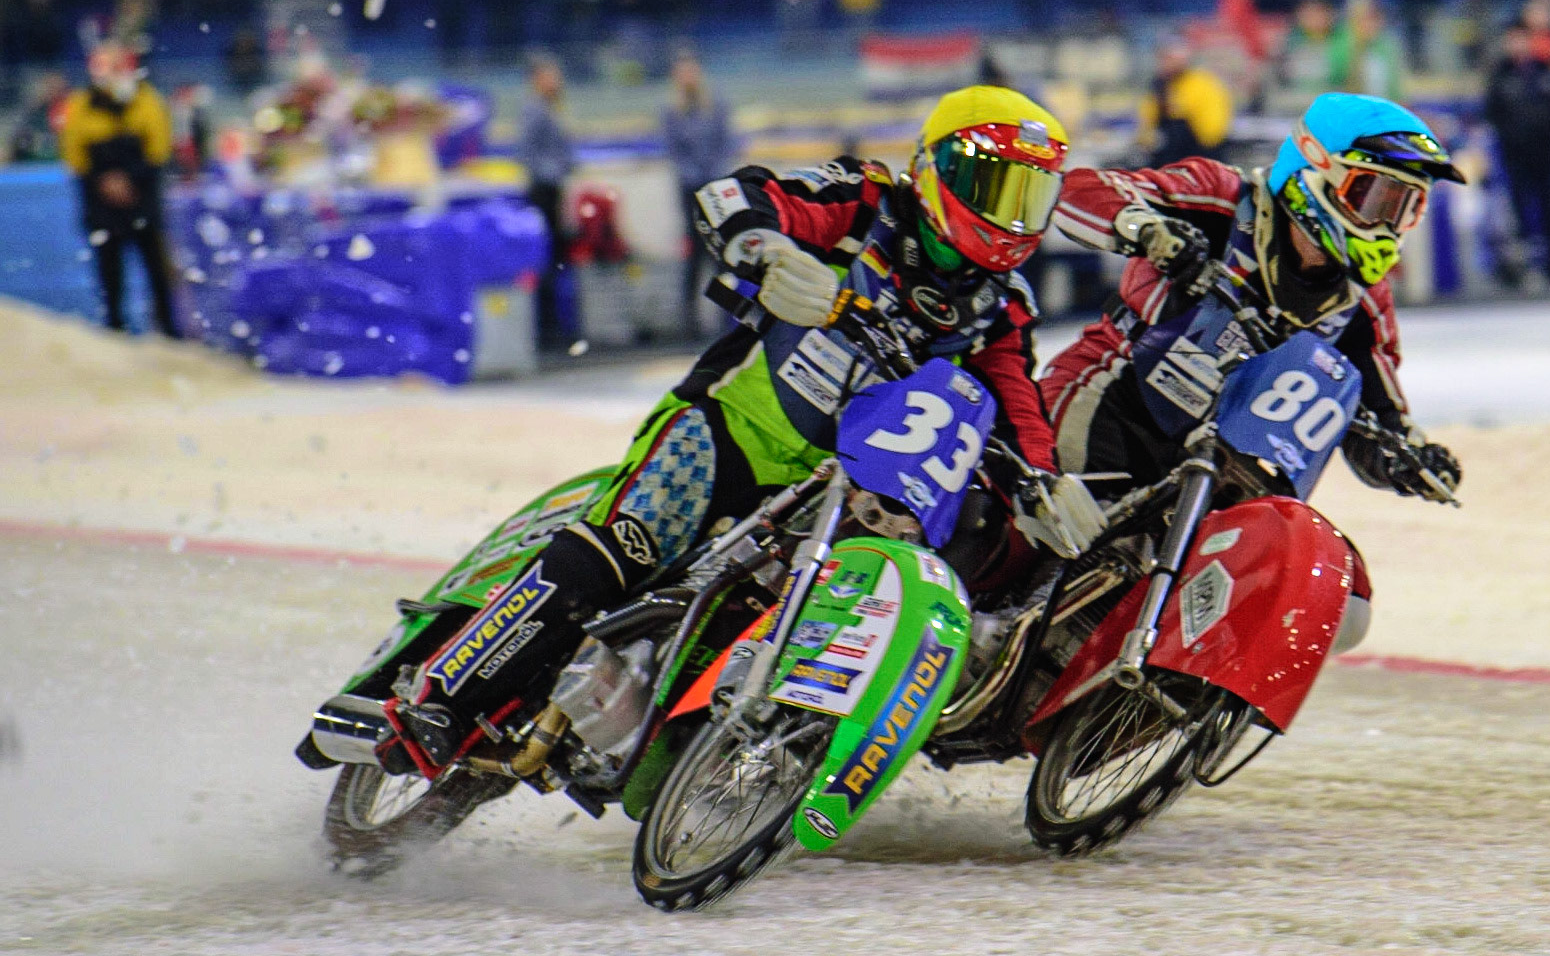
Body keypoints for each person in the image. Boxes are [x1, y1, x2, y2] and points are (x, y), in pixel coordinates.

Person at [384, 85, 1107, 770]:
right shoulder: (866, 202)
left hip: (834, 488)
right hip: (729, 426)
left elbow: (1015, 404)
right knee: (626, 544)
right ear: (936, 168)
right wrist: (770, 250)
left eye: (1029, 196)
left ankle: (720, 751)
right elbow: (739, 194)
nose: (1011, 215)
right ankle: (444, 693)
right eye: (995, 187)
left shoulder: (997, 307)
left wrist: (1042, 482)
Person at [1042, 92, 1463, 505]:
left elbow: (1376, 420)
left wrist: (1410, 459)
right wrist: (1149, 232)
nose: (1386, 225)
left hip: (1218, 466)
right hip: (1110, 398)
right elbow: (1081, 190)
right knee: (1056, 535)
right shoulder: (1222, 197)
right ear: (1315, 168)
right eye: (1374, 199)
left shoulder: (1364, 300)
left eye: (1405, 209)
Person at [59, 43, 179, 338]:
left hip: (142, 198)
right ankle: (115, 328)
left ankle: (167, 330)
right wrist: (105, 181)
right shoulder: (80, 104)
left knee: (156, 268)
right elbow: (74, 155)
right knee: (110, 270)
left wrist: (131, 180)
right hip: (101, 203)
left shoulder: (147, 100)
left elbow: (160, 150)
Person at [661, 54, 739, 339]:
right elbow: (674, 151)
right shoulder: (671, 110)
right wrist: (694, 178)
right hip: (690, 192)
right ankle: (689, 322)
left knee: (722, 255)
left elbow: (726, 142)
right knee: (693, 254)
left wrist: (713, 178)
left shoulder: (716, 105)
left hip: (716, 192)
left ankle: (727, 319)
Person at [1485, 20, 1550, 282]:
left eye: (1522, 38)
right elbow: (1492, 113)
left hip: (1544, 152)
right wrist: (1512, 137)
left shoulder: (1544, 70)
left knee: (1549, 207)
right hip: (1514, 155)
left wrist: (1548, 135)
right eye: (1512, 39)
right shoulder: (1500, 74)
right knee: (1517, 211)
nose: (1517, 44)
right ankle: (1520, 267)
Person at [516, 52, 576, 349]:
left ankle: (555, 325)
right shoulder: (534, 110)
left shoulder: (551, 108)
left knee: (558, 259)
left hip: (553, 188)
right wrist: (555, 172)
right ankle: (547, 329)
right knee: (547, 258)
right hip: (543, 191)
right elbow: (529, 153)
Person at [1138, 40, 1233, 167]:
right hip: (1168, 157)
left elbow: (1211, 133)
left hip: (1200, 156)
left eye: (1170, 59)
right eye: (1164, 59)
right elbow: (1148, 124)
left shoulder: (1202, 84)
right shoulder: (1161, 85)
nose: (1165, 64)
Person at [1328, 0, 1403, 101]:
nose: (1368, 24)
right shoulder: (1339, 44)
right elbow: (1336, 78)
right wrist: (1357, 47)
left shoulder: (1385, 45)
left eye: (1372, 18)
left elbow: (1395, 86)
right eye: (1362, 19)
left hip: (1383, 105)